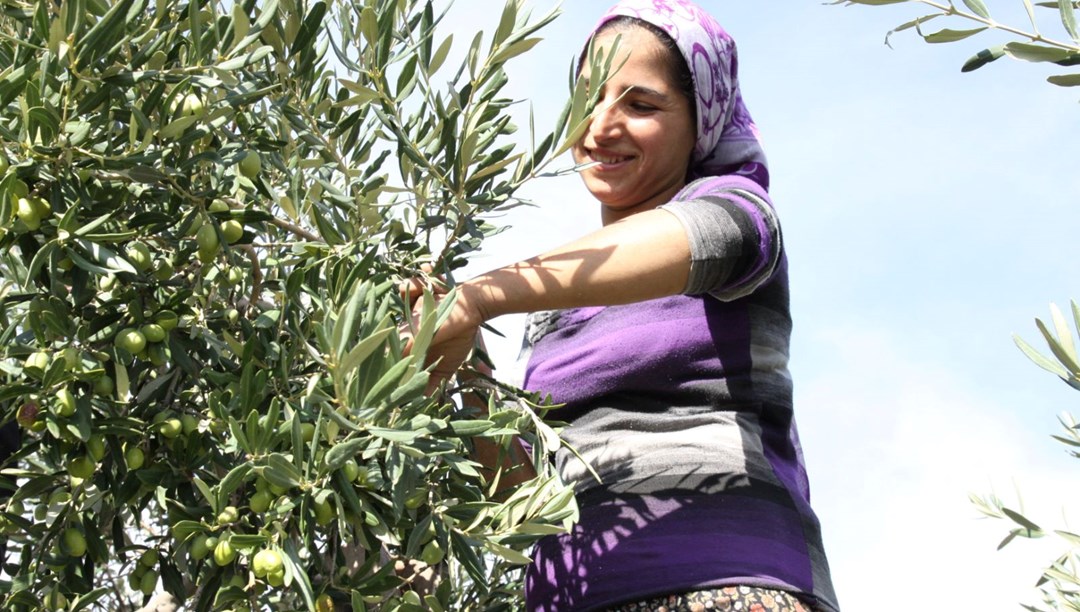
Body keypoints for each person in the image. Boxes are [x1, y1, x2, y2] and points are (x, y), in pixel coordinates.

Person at [414, 1, 840, 610]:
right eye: (588, 101)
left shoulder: (741, 212)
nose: (601, 126)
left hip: (725, 585)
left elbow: (700, 237)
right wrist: (470, 366)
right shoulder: (557, 312)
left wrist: (478, 297)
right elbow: (525, 504)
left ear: (702, 121)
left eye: (640, 105)